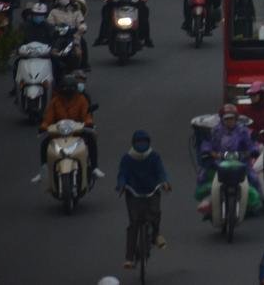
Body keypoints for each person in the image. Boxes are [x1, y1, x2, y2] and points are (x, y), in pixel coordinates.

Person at [116, 129, 171, 270]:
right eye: (139, 142)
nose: (141, 144)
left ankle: (156, 235)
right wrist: (121, 186)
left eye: (144, 141)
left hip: (151, 192)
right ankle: (129, 258)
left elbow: (161, 171)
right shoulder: (127, 158)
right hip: (133, 194)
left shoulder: (154, 156)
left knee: (155, 213)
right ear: (133, 143)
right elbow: (122, 174)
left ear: (148, 143)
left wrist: (164, 182)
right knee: (134, 224)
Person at [34, 74, 104, 182]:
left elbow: (86, 115)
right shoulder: (55, 102)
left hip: (77, 131)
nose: (68, 96)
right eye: (65, 92)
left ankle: (94, 167)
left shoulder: (81, 100)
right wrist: (44, 127)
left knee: (91, 139)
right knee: (44, 144)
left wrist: (88, 123)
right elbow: (48, 118)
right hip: (59, 132)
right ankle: (43, 170)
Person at [196, 103, 262, 215]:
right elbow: (207, 143)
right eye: (227, 119)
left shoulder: (243, 131)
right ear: (222, 119)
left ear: (236, 119)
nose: (229, 121)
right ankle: (209, 202)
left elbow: (251, 144)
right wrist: (208, 152)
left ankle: (254, 203)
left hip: (240, 163)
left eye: (232, 118)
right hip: (219, 163)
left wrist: (253, 151)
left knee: (254, 178)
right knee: (202, 176)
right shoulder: (215, 131)